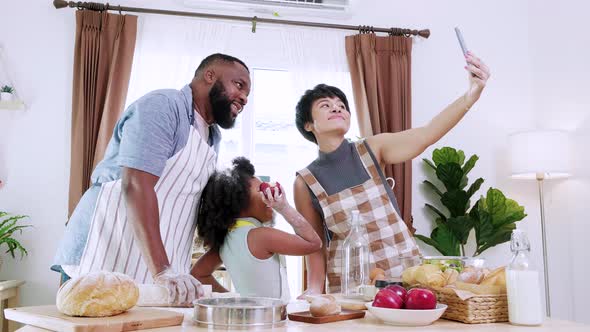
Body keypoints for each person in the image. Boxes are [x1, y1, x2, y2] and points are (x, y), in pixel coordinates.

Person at [52, 53, 251, 306]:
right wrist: (162, 270)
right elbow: (136, 185)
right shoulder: (164, 106)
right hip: (106, 250)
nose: (244, 97)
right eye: (239, 85)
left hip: (157, 268)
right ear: (210, 76)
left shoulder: (213, 138)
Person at [293, 52, 491, 295]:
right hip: (350, 285)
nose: (337, 108)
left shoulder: (372, 149)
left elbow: (427, 133)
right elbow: (315, 245)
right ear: (308, 125)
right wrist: (313, 291)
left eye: (342, 106)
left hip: (404, 272)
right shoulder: (305, 182)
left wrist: (471, 95)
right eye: (326, 105)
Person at [192, 157, 321, 302]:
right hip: (272, 320)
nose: (268, 195)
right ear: (240, 201)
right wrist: (284, 208)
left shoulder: (225, 240)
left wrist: (235, 300)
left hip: (248, 318)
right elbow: (314, 243)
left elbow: (198, 274)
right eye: (261, 190)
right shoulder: (261, 236)